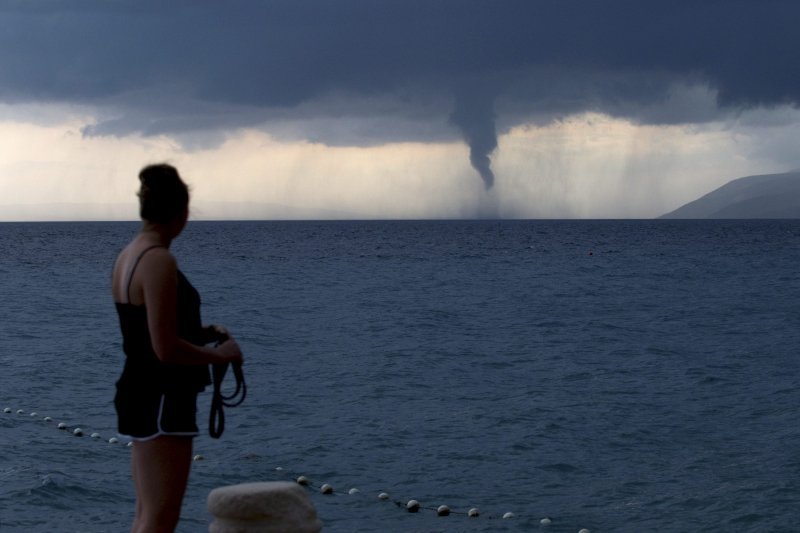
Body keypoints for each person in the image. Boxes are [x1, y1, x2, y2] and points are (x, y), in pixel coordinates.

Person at [111, 163, 243, 532]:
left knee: (147, 512)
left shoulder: (128, 256)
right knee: (162, 515)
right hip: (163, 398)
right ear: (182, 213)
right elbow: (164, 348)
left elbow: (145, 330)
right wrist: (223, 355)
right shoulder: (159, 260)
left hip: (139, 391)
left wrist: (200, 332)